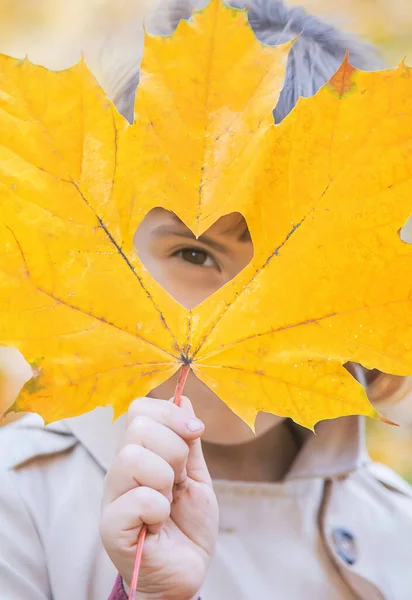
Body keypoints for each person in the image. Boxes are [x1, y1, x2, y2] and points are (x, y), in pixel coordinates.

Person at [1, 1, 412, 599]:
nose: (234, 309)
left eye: (289, 278)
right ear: (103, 243)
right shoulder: (22, 499)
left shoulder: (398, 532)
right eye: (196, 255)